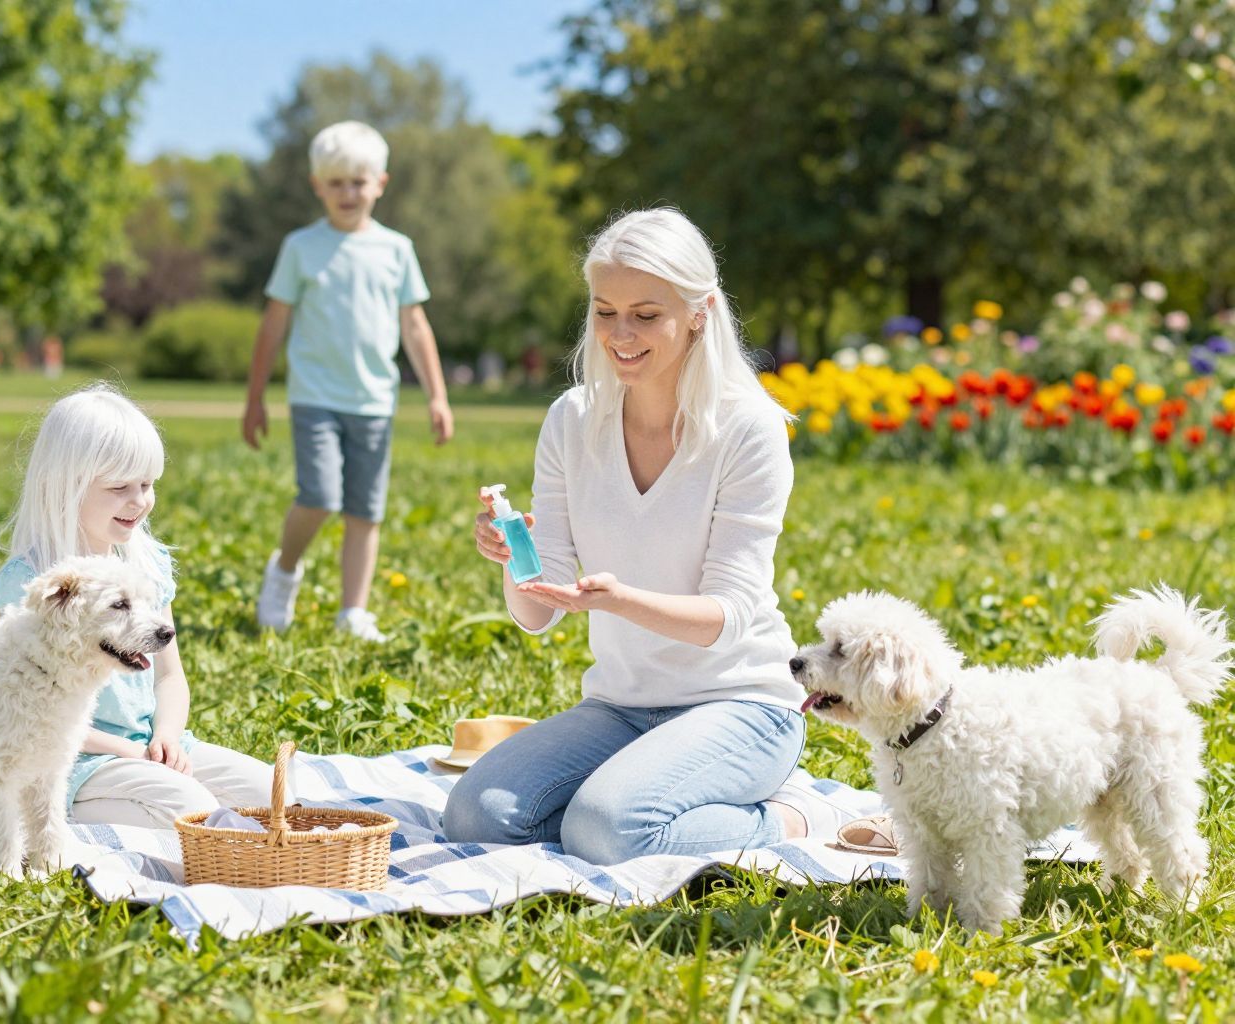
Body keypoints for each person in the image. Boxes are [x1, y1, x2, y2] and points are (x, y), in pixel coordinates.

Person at [443, 209, 850, 864]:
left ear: (698, 312)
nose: (620, 334)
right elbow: (537, 614)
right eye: (605, 312)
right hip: (622, 708)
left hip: (741, 705)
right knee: (475, 815)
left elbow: (725, 619)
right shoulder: (572, 421)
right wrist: (511, 555)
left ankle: (790, 819)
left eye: (645, 314)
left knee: (609, 830)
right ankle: (625, 797)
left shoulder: (749, 430)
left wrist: (618, 599)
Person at [0, 383, 272, 828]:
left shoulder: (144, 564)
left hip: (146, 745)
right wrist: (129, 753)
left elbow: (169, 676)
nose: (139, 502)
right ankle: (64, 817)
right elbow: (20, 710)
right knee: (192, 812)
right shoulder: (32, 587)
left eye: (147, 484)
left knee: (273, 793)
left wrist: (167, 738)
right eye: (120, 487)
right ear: (64, 486)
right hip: (70, 761)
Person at [242, 120, 454, 643]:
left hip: (375, 401)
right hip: (315, 397)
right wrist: (255, 399)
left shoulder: (397, 249)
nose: (347, 193)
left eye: (357, 182)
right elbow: (274, 324)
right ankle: (285, 569)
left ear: (380, 182)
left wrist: (437, 396)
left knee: (366, 510)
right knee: (319, 495)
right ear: (318, 185)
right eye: (335, 183)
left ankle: (353, 612)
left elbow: (414, 325)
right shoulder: (300, 247)